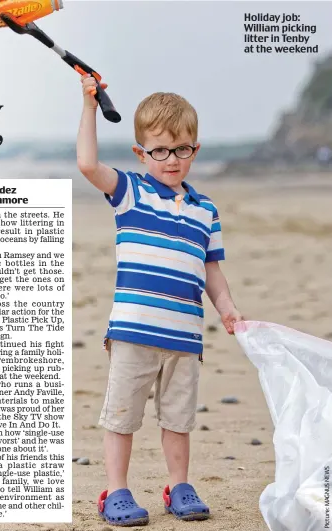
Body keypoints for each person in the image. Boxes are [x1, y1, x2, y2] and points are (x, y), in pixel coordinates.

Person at [76, 75, 244, 526]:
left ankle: (178, 485)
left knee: (179, 418)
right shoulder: (131, 192)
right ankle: (117, 490)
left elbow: (211, 268)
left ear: (195, 148)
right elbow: (88, 165)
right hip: (134, 331)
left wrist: (225, 305)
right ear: (141, 153)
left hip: (185, 336)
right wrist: (90, 107)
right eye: (160, 151)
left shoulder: (204, 210)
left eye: (182, 149)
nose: (172, 159)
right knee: (122, 416)